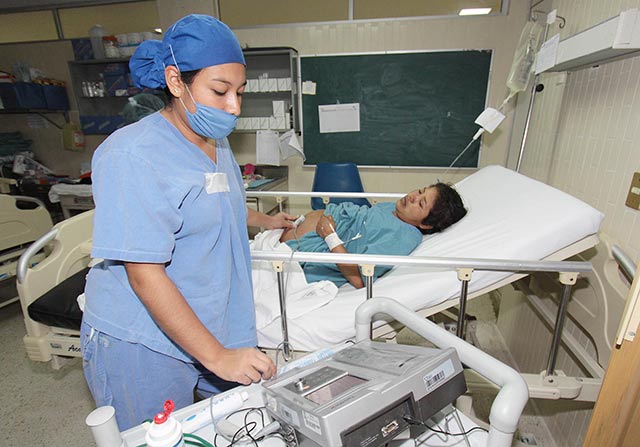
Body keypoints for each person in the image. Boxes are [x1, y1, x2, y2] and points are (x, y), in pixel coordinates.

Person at [81, 15, 295, 430]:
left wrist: (264, 219)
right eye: (220, 91)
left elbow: (218, 207)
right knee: (160, 438)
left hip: (211, 323)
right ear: (176, 82)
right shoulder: (132, 156)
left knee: (243, 430)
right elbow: (144, 273)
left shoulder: (216, 143)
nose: (234, 106)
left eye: (240, 91)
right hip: (143, 342)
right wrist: (217, 357)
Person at [279, 183, 466, 288]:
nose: (412, 197)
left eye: (421, 203)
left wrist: (330, 236)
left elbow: (360, 279)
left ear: (425, 224)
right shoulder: (393, 209)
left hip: (298, 254)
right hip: (291, 234)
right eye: (420, 191)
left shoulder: (404, 237)